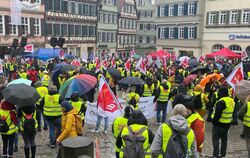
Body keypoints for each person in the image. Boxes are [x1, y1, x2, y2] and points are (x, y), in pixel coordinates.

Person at [211, 86, 235, 158]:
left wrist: (214, 122)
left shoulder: (221, 102)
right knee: (224, 140)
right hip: (227, 124)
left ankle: (216, 155)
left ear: (220, 93)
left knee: (216, 140)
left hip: (219, 124)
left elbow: (217, 114)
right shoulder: (231, 100)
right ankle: (223, 154)